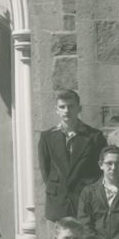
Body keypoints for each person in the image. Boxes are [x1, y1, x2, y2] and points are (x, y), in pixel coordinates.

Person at [38, 89, 106, 222]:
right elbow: (45, 170)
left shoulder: (94, 136)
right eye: (62, 107)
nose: (66, 110)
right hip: (59, 200)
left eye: (71, 106)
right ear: (56, 109)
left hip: (84, 199)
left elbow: (100, 170)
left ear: (79, 108)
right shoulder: (47, 137)